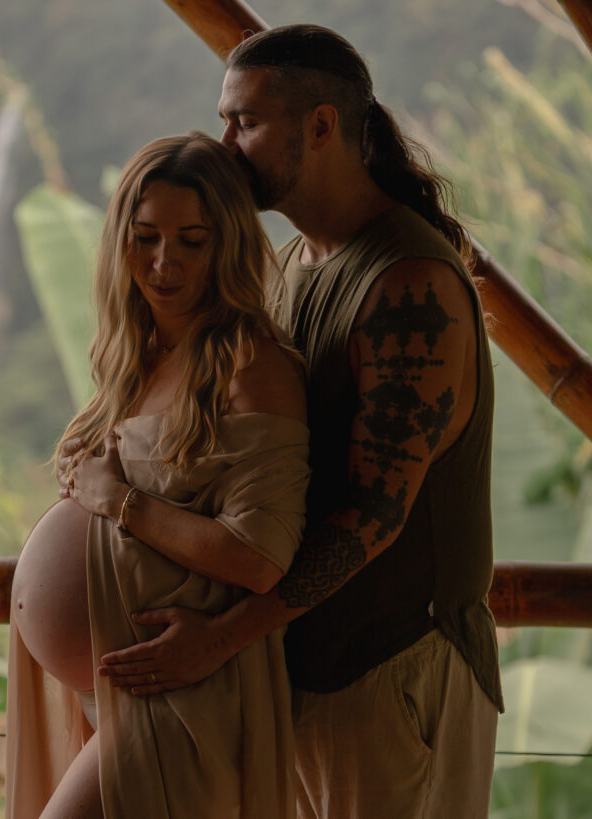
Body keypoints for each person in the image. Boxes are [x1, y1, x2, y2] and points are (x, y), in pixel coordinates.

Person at [90, 24, 504, 819]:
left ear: (319, 127)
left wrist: (219, 637)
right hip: (301, 666)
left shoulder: (406, 285)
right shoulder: (291, 265)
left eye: (243, 121)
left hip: (390, 669)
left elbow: (372, 516)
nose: (225, 142)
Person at [5, 132, 310, 819]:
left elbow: (261, 556)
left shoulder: (250, 363)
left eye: (192, 241)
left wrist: (119, 501)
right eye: (145, 237)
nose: (164, 262)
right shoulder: (135, 355)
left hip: (180, 694)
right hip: (114, 691)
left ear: (225, 244)